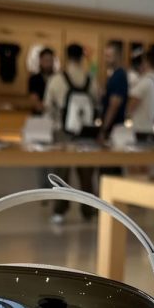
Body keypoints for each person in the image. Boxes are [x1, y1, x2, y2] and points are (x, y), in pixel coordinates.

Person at [44, 43, 98, 222]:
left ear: (66, 57)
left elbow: (48, 105)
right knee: (86, 174)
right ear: (82, 58)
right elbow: (97, 104)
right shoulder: (90, 79)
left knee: (62, 173)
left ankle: (60, 210)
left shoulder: (57, 79)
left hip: (64, 132)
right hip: (85, 134)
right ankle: (88, 210)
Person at [99, 42, 128, 140]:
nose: (106, 60)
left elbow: (114, 105)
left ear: (118, 57)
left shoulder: (119, 76)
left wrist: (104, 129)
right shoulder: (114, 75)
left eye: (109, 56)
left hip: (114, 129)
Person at [127, 51, 154, 134]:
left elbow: (131, 106)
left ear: (146, 63)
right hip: (149, 128)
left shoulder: (146, 82)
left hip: (139, 130)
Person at [27, 47, 55, 114]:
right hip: (38, 115)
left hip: (54, 116)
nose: (48, 64)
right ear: (40, 61)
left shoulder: (58, 79)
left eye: (50, 60)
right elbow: (34, 101)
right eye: (46, 60)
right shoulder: (34, 79)